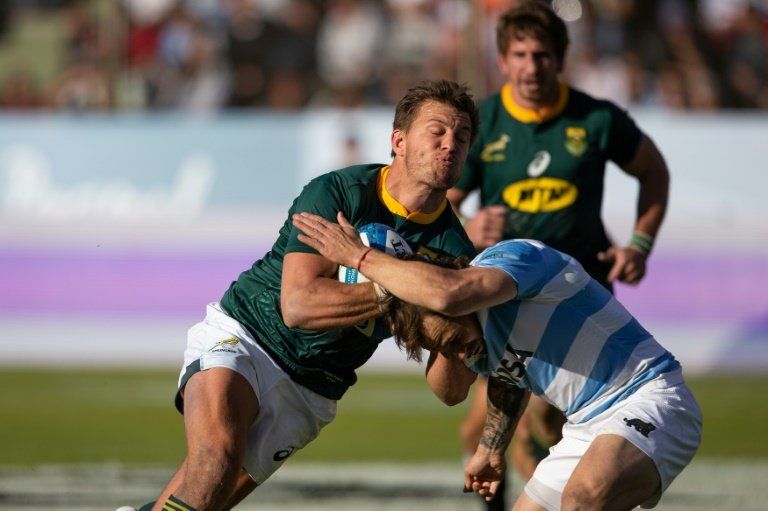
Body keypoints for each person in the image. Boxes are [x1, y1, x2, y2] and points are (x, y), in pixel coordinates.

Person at [128, 80, 479, 511]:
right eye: (437, 131)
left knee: (202, 501)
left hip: (314, 389)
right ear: (399, 141)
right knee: (216, 459)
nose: (450, 144)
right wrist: (407, 286)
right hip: (247, 336)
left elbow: (449, 393)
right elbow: (298, 306)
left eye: (462, 137)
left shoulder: (456, 254)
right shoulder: (339, 193)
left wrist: (461, 336)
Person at [291, 212, 702, 511]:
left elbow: (450, 294)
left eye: (454, 342)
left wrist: (361, 259)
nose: (461, 354)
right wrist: (491, 449)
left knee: (582, 501)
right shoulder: (474, 339)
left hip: (649, 397)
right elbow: (463, 387)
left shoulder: (513, 260)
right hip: (584, 428)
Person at [448, 2, 671, 504]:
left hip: (579, 299)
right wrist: (469, 225)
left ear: (561, 58)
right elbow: (443, 205)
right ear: (502, 60)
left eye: (542, 55)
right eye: (520, 55)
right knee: (480, 429)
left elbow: (653, 171)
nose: (531, 67)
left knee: (546, 420)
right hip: (502, 298)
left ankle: (546, 468)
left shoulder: (597, 119)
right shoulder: (483, 123)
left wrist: (639, 244)